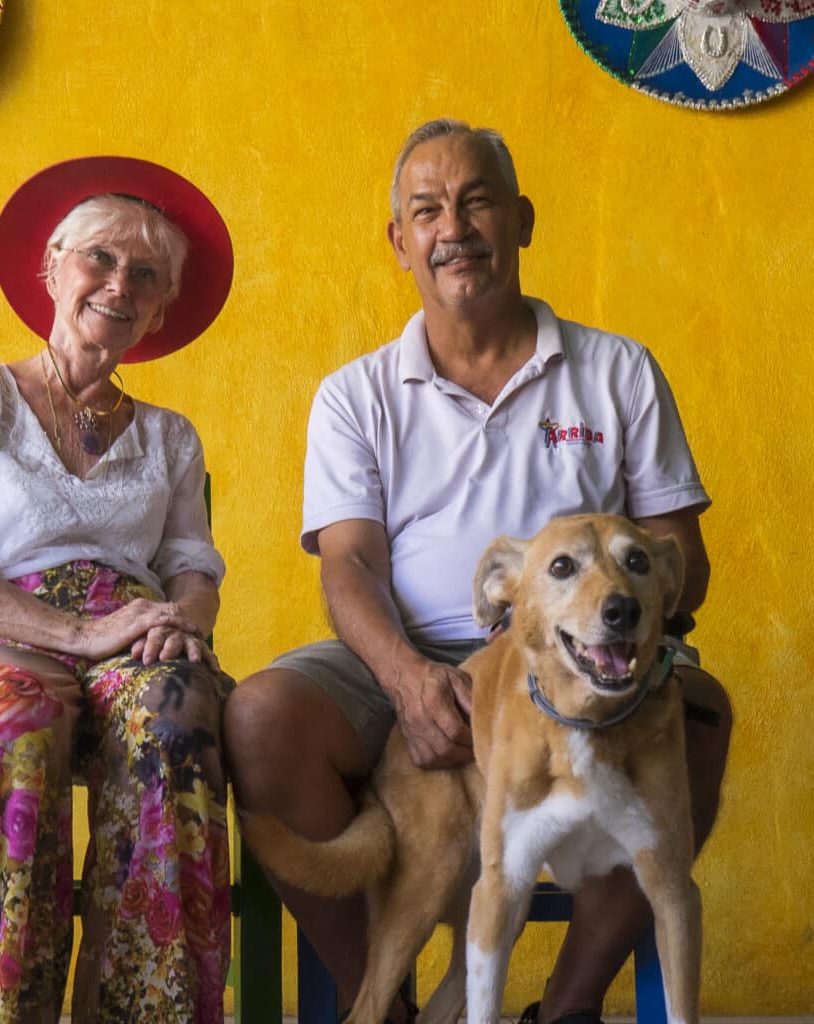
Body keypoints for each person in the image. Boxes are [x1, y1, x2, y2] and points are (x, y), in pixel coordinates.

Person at [224, 120, 732, 1024]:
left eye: (476, 201)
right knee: (262, 716)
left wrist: (586, 664)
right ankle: (384, 1004)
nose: (452, 227)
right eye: (426, 211)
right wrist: (409, 676)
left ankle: (564, 1009)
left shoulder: (618, 371)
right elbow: (348, 563)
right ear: (400, 243)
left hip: (577, 656)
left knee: (698, 713)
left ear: (523, 220)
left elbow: (678, 554)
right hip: (407, 652)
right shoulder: (356, 394)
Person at [0, 156, 235, 1024]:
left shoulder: (170, 436)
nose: (121, 285)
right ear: (52, 268)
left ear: (159, 310)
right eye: (101, 260)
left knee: (177, 709)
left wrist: (183, 627)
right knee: (21, 714)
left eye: (146, 275)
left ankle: (139, 1014)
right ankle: (9, 1013)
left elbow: (193, 565)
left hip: (132, 637)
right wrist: (74, 634)